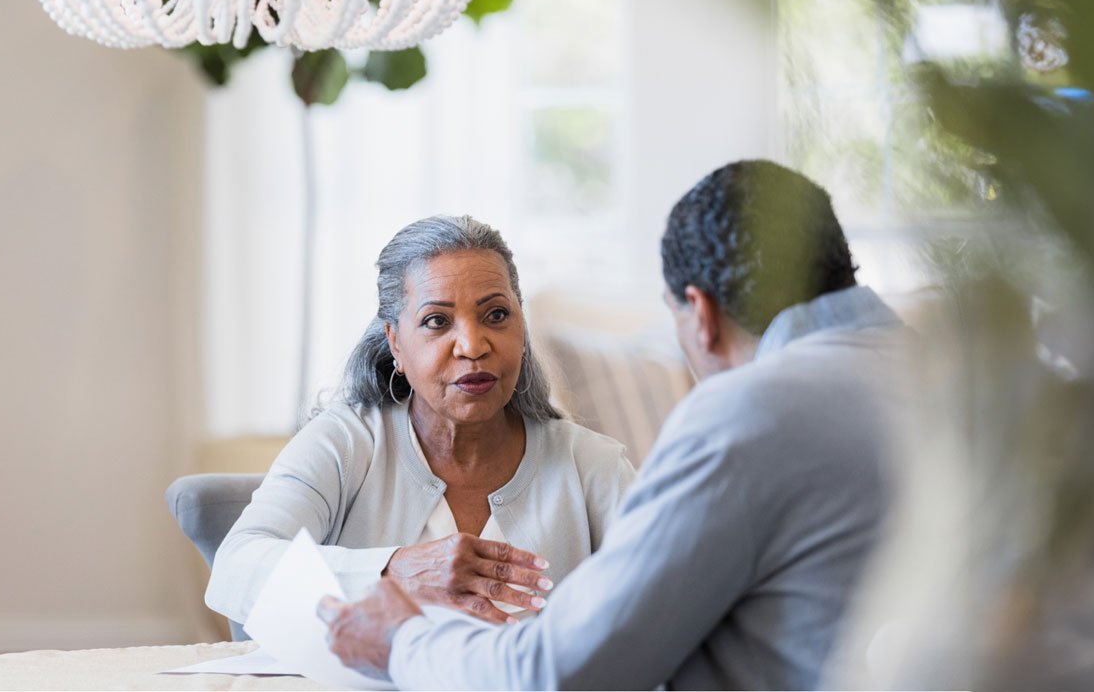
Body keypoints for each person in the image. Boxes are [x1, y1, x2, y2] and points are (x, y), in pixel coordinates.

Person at [319, 160, 915, 689]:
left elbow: (559, 673)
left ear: (699, 314)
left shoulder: (744, 414)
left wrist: (402, 640)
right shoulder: (953, 381)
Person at [206, 215, 635, 626]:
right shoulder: (345, 444)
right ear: (395, 342)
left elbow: (658, 601)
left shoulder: (591, 463)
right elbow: (235, 569)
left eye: (496, 315)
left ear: (522, 329)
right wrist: (391, 572)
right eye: (436, 321)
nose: (472, 345)